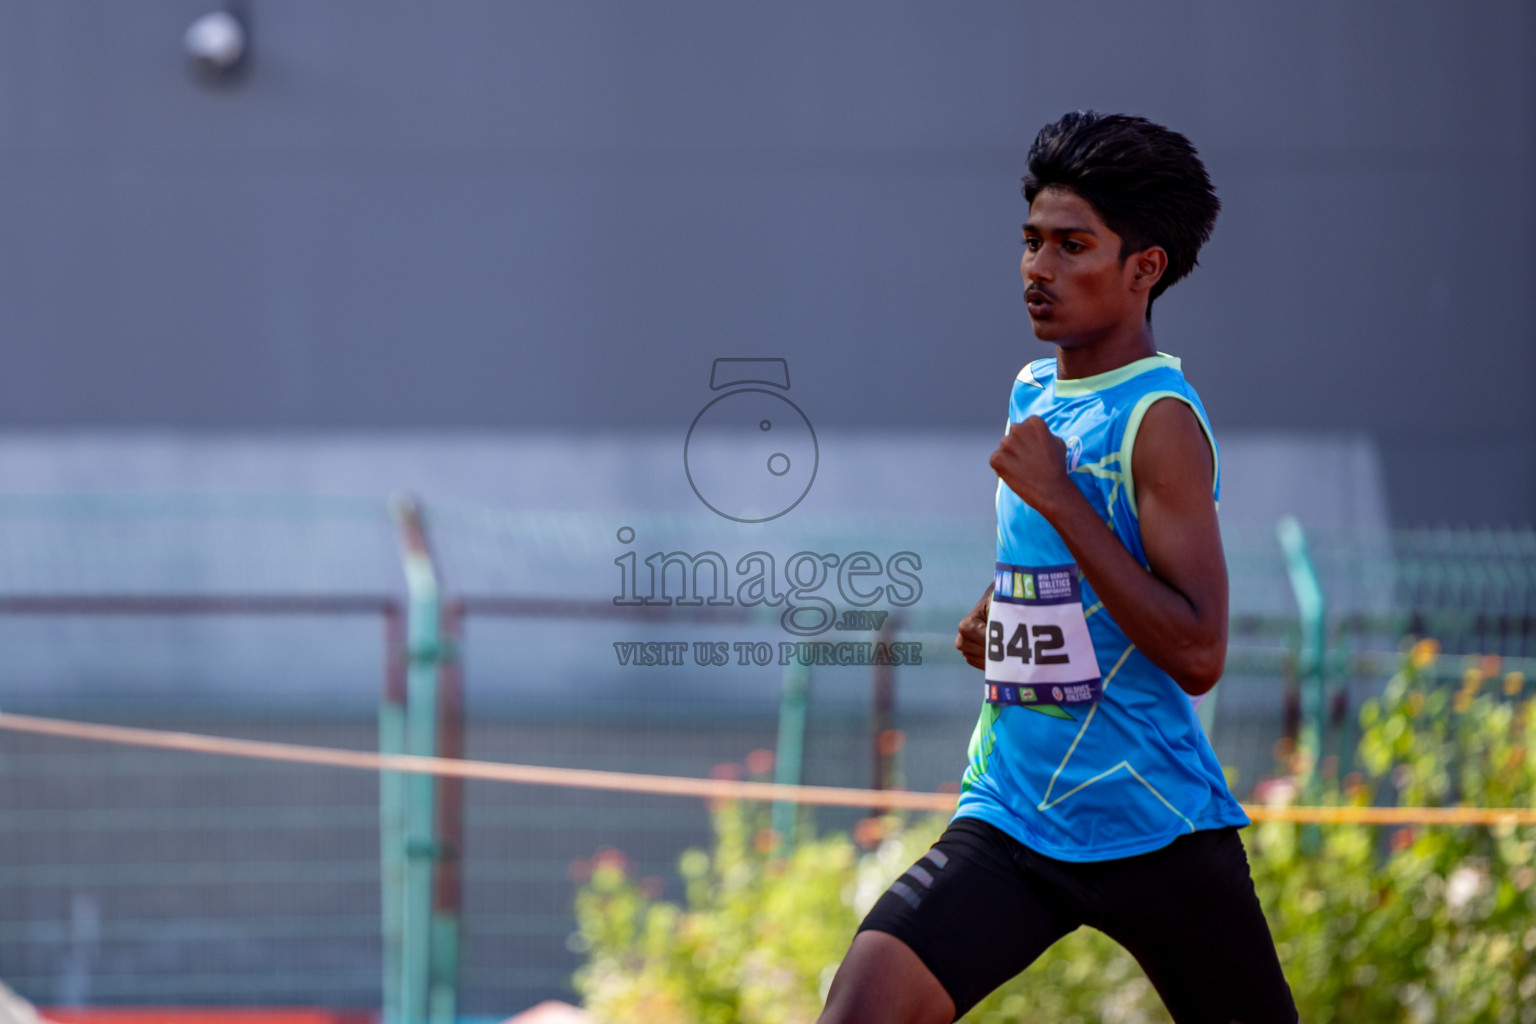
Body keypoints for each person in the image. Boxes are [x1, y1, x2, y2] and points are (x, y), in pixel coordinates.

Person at [817, 112, 1298, 1024]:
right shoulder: (1035, 389)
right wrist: (996, 612)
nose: (1039, 269)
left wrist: (1062, 498)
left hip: (1152, 822)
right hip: (1015, 813)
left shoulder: (1160, 421)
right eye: (1031, 242)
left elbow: (1198, 650)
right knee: (861, 1011)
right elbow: (1056, 570)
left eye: (1073, 246)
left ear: (1144, 267)